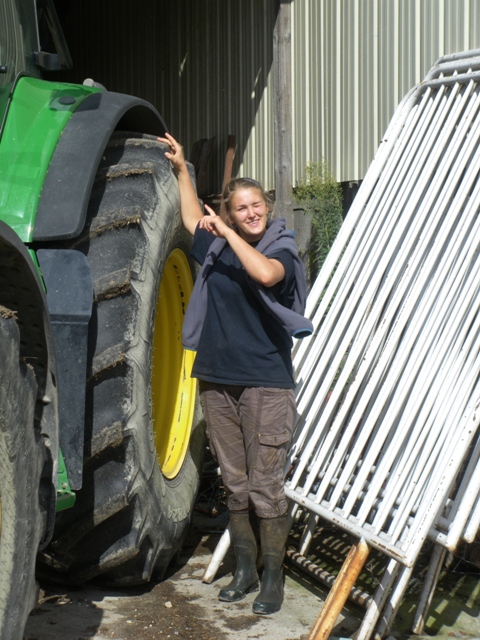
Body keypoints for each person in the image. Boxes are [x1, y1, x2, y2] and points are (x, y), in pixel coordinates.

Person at [158, 132, 313, 615]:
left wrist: (224, 232)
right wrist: (183, 169)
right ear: (231, 211)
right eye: (240, 208)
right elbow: (188, 219)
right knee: (234, 481)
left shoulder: (280, 248)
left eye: (256, 206)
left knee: (266, 486)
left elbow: (265, 275)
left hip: (266, 383)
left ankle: (272, 576)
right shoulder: (219, 248)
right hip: (217, 379)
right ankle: (244, 569)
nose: (250, 214)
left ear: (266, 207)